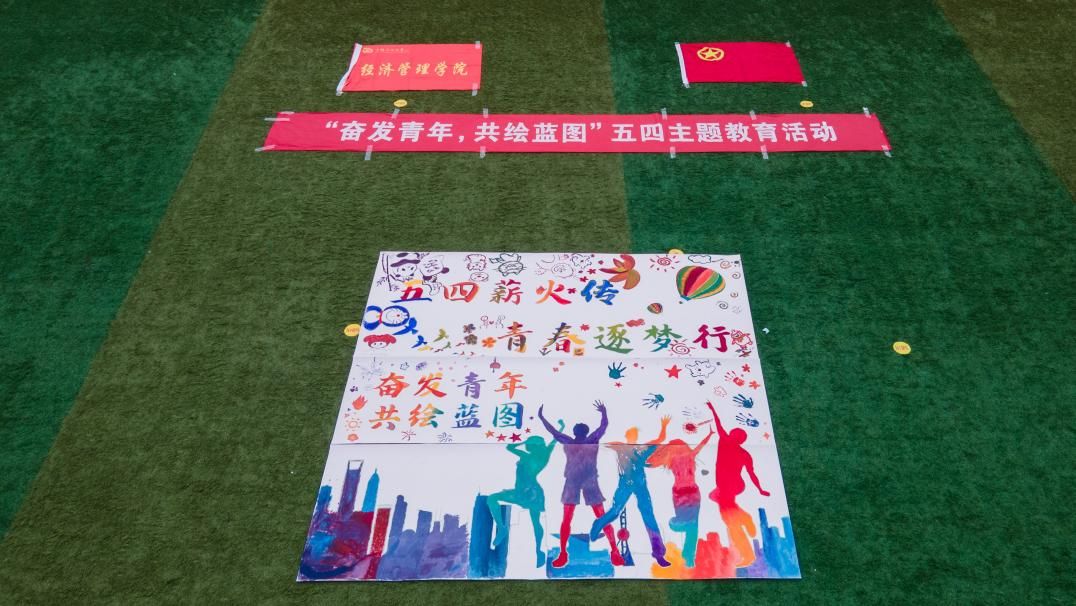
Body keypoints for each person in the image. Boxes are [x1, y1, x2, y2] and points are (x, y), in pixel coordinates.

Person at [538, 401, 624, 568]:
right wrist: (604, 412)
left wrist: (542, 418)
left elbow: (553, 431)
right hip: (585, 480)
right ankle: (614, 551)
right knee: (601, 518)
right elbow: (603, 426)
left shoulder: (571, 441)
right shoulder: (592, 439)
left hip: (577, 481)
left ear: (574, 432)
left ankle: (564, 553)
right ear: (585, 432)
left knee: (568, 519)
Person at [589, 416, 673, 567]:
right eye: (631, 435)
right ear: (627, 436)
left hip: (640, 485)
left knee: (648, 516)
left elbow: (660, 439)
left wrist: (664, 426)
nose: (633, 437)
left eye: (635, 435)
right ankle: (598, 523)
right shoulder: (620, 447)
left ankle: (659, 553)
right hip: (625, 485)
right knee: (615, 511)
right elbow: (601, 443)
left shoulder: (641, 449)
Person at [706, 401, 770, 567]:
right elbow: (751, 474)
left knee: (730, 521)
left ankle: (747, 555)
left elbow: (719, 425)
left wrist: (712, 409)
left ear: (736, 438)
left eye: (733, 433)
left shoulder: (725, 442)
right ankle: (744, 517)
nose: (730, 434)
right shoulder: (743, 452)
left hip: (727, 486)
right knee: (719, 500)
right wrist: (760, 489)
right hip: (734, 486)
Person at [487, 430, 559, 567]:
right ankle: (536, 549)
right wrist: (560, 428)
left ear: (534, 446)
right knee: (535, 522)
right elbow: (553, 441)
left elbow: (510, 447)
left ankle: (536, 550)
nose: (527, 445)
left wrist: (525, 441)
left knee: (493, 499)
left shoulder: (529, 456)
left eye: (529, 444)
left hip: (529, 493)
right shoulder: (540, 456)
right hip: (527, 492)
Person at [646, 430, 715, 567]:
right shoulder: (674, 459)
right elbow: (649, 461)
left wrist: (709, 435)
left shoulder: (686, 456)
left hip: (690, 493)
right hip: (682, 494)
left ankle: (688, 556)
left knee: (693, 526)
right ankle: (677, 533)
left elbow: (701, 444)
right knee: (690, 525)